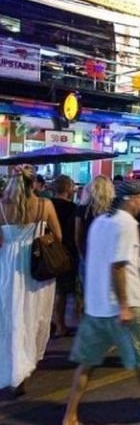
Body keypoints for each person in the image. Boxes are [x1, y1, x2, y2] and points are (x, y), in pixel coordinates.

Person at [62, 181, 140, 425]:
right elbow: (118, 267)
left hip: (97, 306)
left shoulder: (100, 222)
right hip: (126, 305)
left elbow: (92, 260)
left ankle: (70, 415)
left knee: (87, 363)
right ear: (129, 199)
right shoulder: (125, 224)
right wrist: (124, 305)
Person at [0, 165, 62, 396]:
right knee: (32, 315)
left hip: (7, 266)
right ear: (33, 183)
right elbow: (58, 236)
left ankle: (13, 369)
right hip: (35, 267)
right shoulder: (45, 205)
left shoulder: (1, 207)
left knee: (11, 317)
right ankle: (24, 367)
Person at [51, 175, 79, 337]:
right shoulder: (73, 208)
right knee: (62, 291)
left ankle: (52, 323)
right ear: (68, 189)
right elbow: (74, 234)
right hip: (66, 252)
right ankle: (60, 324)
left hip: (45, 251)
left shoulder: (46, 204)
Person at [75, 175, 115, 289]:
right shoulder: (114, 210)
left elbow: (77, 235)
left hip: (88, 254)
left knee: (89, 293)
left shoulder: (83, 209)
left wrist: (81, 253)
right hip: (109, 256)